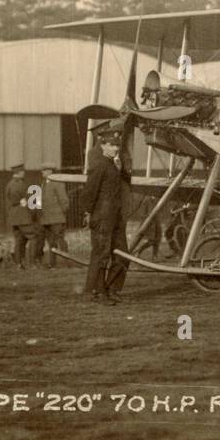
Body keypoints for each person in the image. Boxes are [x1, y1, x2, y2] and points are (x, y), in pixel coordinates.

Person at [82, 123, 130, 304]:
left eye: (117, 145)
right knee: (101, 254)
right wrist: (88, 213)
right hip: (102, 217)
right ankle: (96, 292)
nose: (115, 148)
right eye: (111, 144)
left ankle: (110, 289)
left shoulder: (113, 164)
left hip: (115, 218)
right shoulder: (99, 165)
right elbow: (89, 193)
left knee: (123, 254)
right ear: (102, 145)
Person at [33, 161, 69, 268]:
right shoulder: (44, 183)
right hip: (47, 219)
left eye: (44, 170)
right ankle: (52, 263)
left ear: (50, 171)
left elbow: (64, 200)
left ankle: (67, 262)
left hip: (56, 218)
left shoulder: (57, 183)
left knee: (60, 240)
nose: (42, 172)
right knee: (51, 243)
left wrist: (61, 213)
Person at [5, 162, 37, 269]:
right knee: (33, 237)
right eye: (23, 171)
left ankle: (18, 264)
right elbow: (26, 199)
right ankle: (32, 263)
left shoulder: (9, 184)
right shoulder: (20, 185)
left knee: (18, 240)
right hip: (23, 216)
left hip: (14, 217)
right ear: (18, 173)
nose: (24, 173)